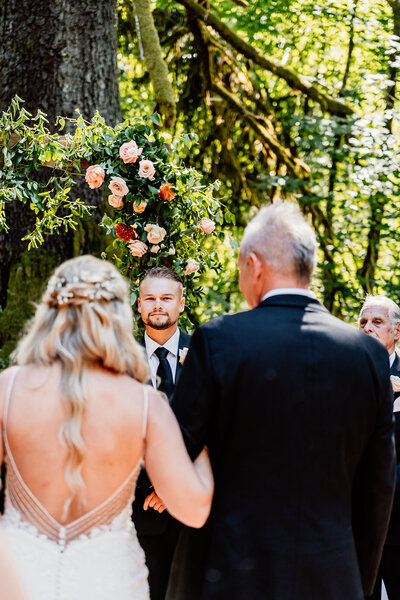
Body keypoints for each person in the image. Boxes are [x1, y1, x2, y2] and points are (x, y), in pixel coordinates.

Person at [171, 201, 396, 600]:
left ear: (254, 265)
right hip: (332, 578)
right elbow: (378, 489)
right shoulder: (367, 356)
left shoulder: (218, 341)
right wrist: (355, 584)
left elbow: (178, 453)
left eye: (241, 269)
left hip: (231, 577)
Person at [0, 255, 213, 600]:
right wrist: (201, 446)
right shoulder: (142, 401)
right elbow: (197, 507)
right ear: (122, 314)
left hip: (20, 580)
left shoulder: (8, 389)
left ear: (49, 312)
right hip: (112, 578)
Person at [132, 267, 190, 600]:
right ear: (139, 305)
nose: (158, 305)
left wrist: (173, 488)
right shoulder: (118, 360)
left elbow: (215, 429)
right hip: (137, 511)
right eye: (150, 298)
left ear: (180, 304)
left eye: (166, 298)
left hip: (192, 509)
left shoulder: (206, 355)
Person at [359, 295, 400, 600]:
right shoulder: (341, 374)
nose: (368, 328)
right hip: (354, 514)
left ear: (396, 331)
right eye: (363, 322)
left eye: (377, 322)